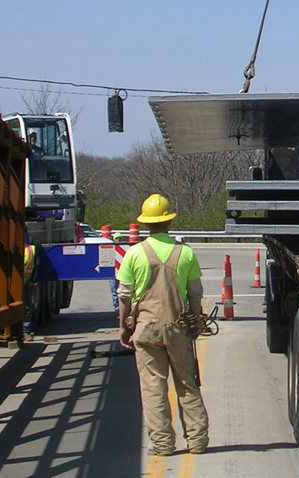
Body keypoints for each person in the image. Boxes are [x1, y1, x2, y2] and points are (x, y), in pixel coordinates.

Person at [117, 194, 209, 456]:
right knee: (187, 384)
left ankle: (163, 444)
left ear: (146, 224)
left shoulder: (134, 254)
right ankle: (198, 441)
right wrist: (196, 321)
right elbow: (195, 293)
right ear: (168, 222)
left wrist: (124, 326)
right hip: (178, 328)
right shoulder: (185, 252)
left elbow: (124, 295)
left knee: (153, 388)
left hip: (145, 329)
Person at [110, 231, 123, 312]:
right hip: (113, 273)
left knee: (122, 291)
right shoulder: (110, 248)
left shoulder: (124, 248)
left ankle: (122, 307)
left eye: (120, 238)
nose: (118, 239)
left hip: (121, 273)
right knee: (114, 290)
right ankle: (116, 307)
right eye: (117, 238)